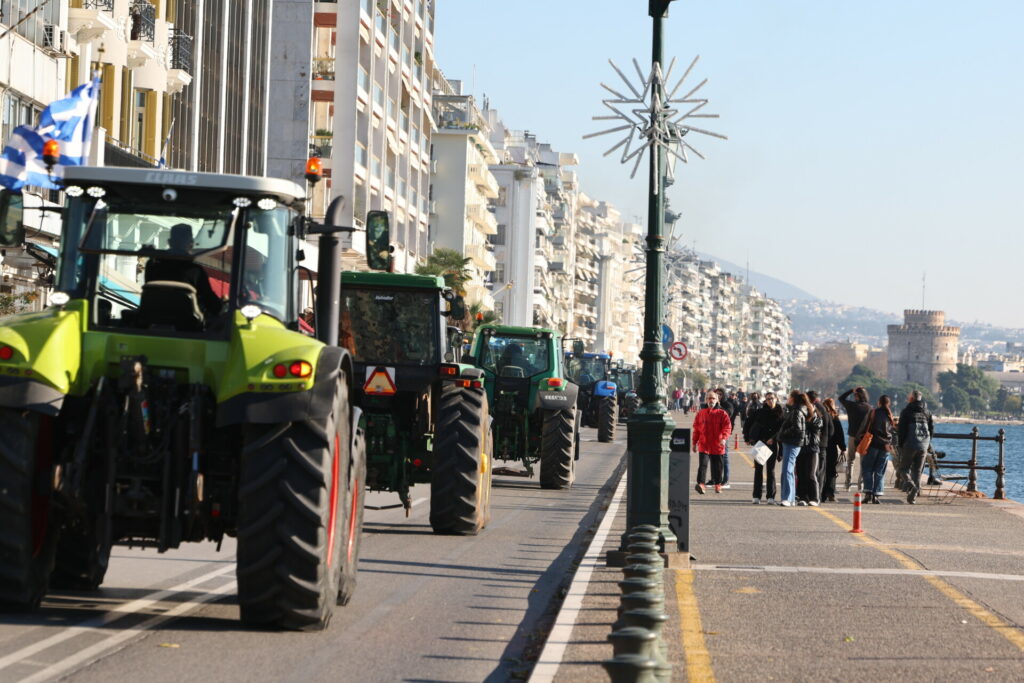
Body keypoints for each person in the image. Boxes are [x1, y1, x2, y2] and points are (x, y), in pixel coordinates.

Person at [145, 223, 222, 319]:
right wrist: (221, 305)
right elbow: (211, 302)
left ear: (169, 242)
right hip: (187, 324)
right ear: (191, 244)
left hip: (153, 319)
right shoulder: (195, 271)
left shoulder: (152, 265)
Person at [744, 391, 784, 504]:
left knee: (771, 471)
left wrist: (778, 446)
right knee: (758, 470)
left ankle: (771, 496)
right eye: (768, 399)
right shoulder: (760, 412)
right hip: (760, 443)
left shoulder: (781, 413)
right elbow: (748, 423)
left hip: (773, 444)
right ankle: (756, 496)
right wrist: (747, 437)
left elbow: (782, 430)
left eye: (772, 398)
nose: (770, 401)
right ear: (765, 401)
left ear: (776, 399)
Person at [775, 390, 813, 507]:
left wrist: (782, 433)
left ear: (793, 398)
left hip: (792, 442)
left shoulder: (796, 411)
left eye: (789, 397)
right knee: (789, 471)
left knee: (787, 470)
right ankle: (790, 498)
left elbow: (797, 428)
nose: (788, 398)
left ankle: (787, 498)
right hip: (793, 443)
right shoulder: (797, 410)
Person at [857, 395, 897, 503]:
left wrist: (859, 438)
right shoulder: (889, 415)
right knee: (880, 471)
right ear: (888, 403)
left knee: (867, 468)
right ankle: (877, 494)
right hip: (885, 447)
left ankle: (868, 493)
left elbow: (866, 426)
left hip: (873, 444)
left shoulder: (874, 412)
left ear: (879, 402)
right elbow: (892, 431)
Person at [897, 390, 935, 504]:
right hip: (923, 445)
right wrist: (928, 443)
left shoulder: (906, 411)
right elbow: (931, 429)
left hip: (909, 444)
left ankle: (911, 485)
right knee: (917, 471)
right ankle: (913, 496)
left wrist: (900, 444)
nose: (907, 398)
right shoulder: (927, 412)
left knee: (903, 469)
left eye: (908, 396)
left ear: (912, 399)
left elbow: (901, 430)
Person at [692, 391, 732, 494]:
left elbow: (727, 427)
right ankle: (701, 484)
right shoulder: (701, 413)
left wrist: (724, 438)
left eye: (713, 398)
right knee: (703, 465)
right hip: (704, 444)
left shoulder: (722, 413)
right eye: (709, 398)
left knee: (718, 466)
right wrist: (694, 443)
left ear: (717, 400)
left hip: (717, 444)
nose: (711, 400)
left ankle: (718, 484)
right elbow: (696, 430)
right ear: (706, 400)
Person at [838, 387, 872, 491]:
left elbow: (841, 398)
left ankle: (848, 483)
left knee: (850, 460)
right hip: (863, 437)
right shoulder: (869, 408)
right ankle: (860, 485)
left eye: (855, 395)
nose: (854, 396)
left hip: (852, 436)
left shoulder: (851, 405)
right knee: (863, 462)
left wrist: (851, 390)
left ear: (858, 396)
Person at [796, 391, 825, 506]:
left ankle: (815, 498)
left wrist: (812, 414)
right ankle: (803, 497)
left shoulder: (816, 413)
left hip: (812, 447)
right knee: (801, 474)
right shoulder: (799, 413)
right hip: (801, 446)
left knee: (811, 474)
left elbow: (818, 425)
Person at [820, 398, 846, 502]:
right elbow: (840, 434)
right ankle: (830, 493)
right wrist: (843, 447)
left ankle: (821, 493)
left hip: (822, 446)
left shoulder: (821, 417)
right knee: (831, 471)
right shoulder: (835, 418)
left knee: (822, 470)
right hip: (832, 448)